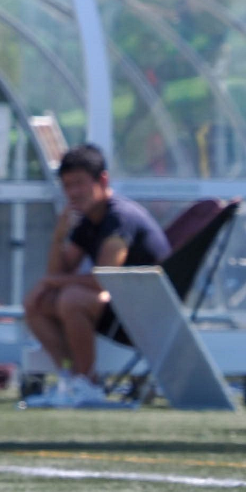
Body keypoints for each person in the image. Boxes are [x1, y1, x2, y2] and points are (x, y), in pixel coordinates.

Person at [22, 143, 170, 407]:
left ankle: (89, 385)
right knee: (36, 301)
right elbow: (57, 273)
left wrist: (54, 281)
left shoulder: (119, 218)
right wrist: (58, 236)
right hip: (120, 308)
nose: (73, 193)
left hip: (149, 312)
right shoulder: (88, 219)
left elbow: (105, 278)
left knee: (72, 298)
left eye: (79, 183)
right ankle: (69, 379)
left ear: (103, 180)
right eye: (67, 186)